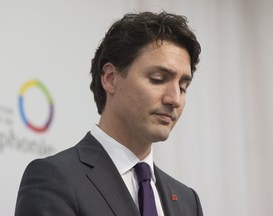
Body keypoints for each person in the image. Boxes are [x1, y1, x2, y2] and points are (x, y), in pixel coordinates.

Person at [15, 11, 202, 216]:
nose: (174, 99)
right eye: (158, 79)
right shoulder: (55, 179)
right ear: (111, 78)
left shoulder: (187, 201)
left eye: (183, 87)